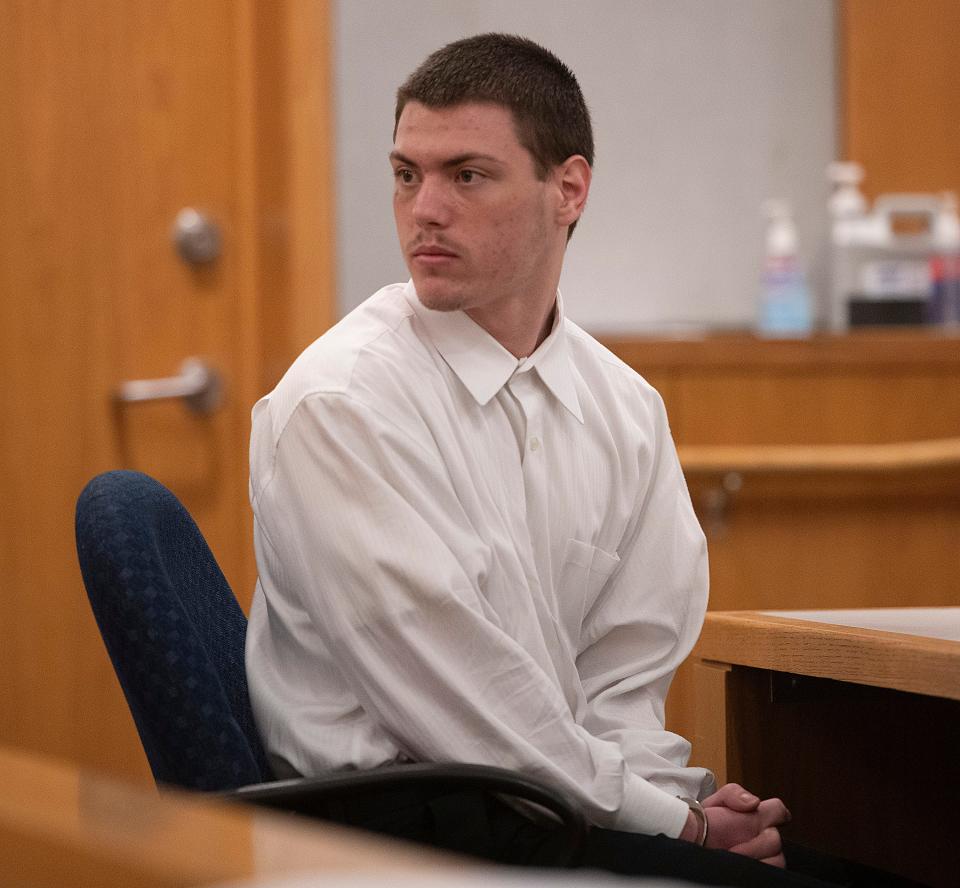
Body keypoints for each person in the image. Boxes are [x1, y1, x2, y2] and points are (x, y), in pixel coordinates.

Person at [245, 34, 920, 888]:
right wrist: (680, 823)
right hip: (397, 827)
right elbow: (470, 715)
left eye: (467, 174)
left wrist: (681, 807)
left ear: (568, 189)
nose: (425, 209)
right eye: (407, 175)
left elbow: (624, 681)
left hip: (551, 807)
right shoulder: (343, 404)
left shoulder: (625, 411)